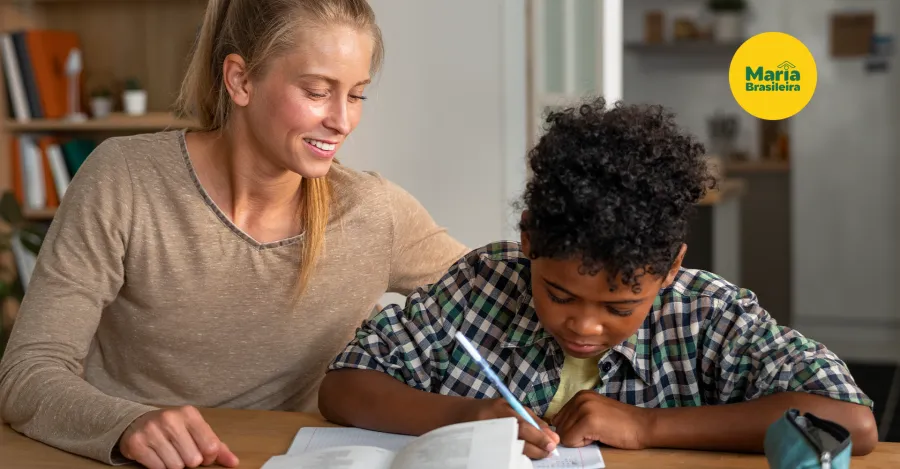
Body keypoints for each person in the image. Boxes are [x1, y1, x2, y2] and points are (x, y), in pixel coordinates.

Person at [0, 1, 468, 468]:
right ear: (240, 80)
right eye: (316, 92)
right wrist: (126, 424)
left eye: (357, 95)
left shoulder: (374, 212)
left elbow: (516, 289)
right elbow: (27, 373)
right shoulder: (125, 179)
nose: (342, 121)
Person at [319, 97, 878, 459]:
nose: (584, 324)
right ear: (529, 243)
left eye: (620, 307)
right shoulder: (482, 284)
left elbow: (852, 421)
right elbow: (343, 386)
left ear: (670, 269)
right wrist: (465, 415)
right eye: (559, 294)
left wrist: (647, 428)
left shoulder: (706, 314)